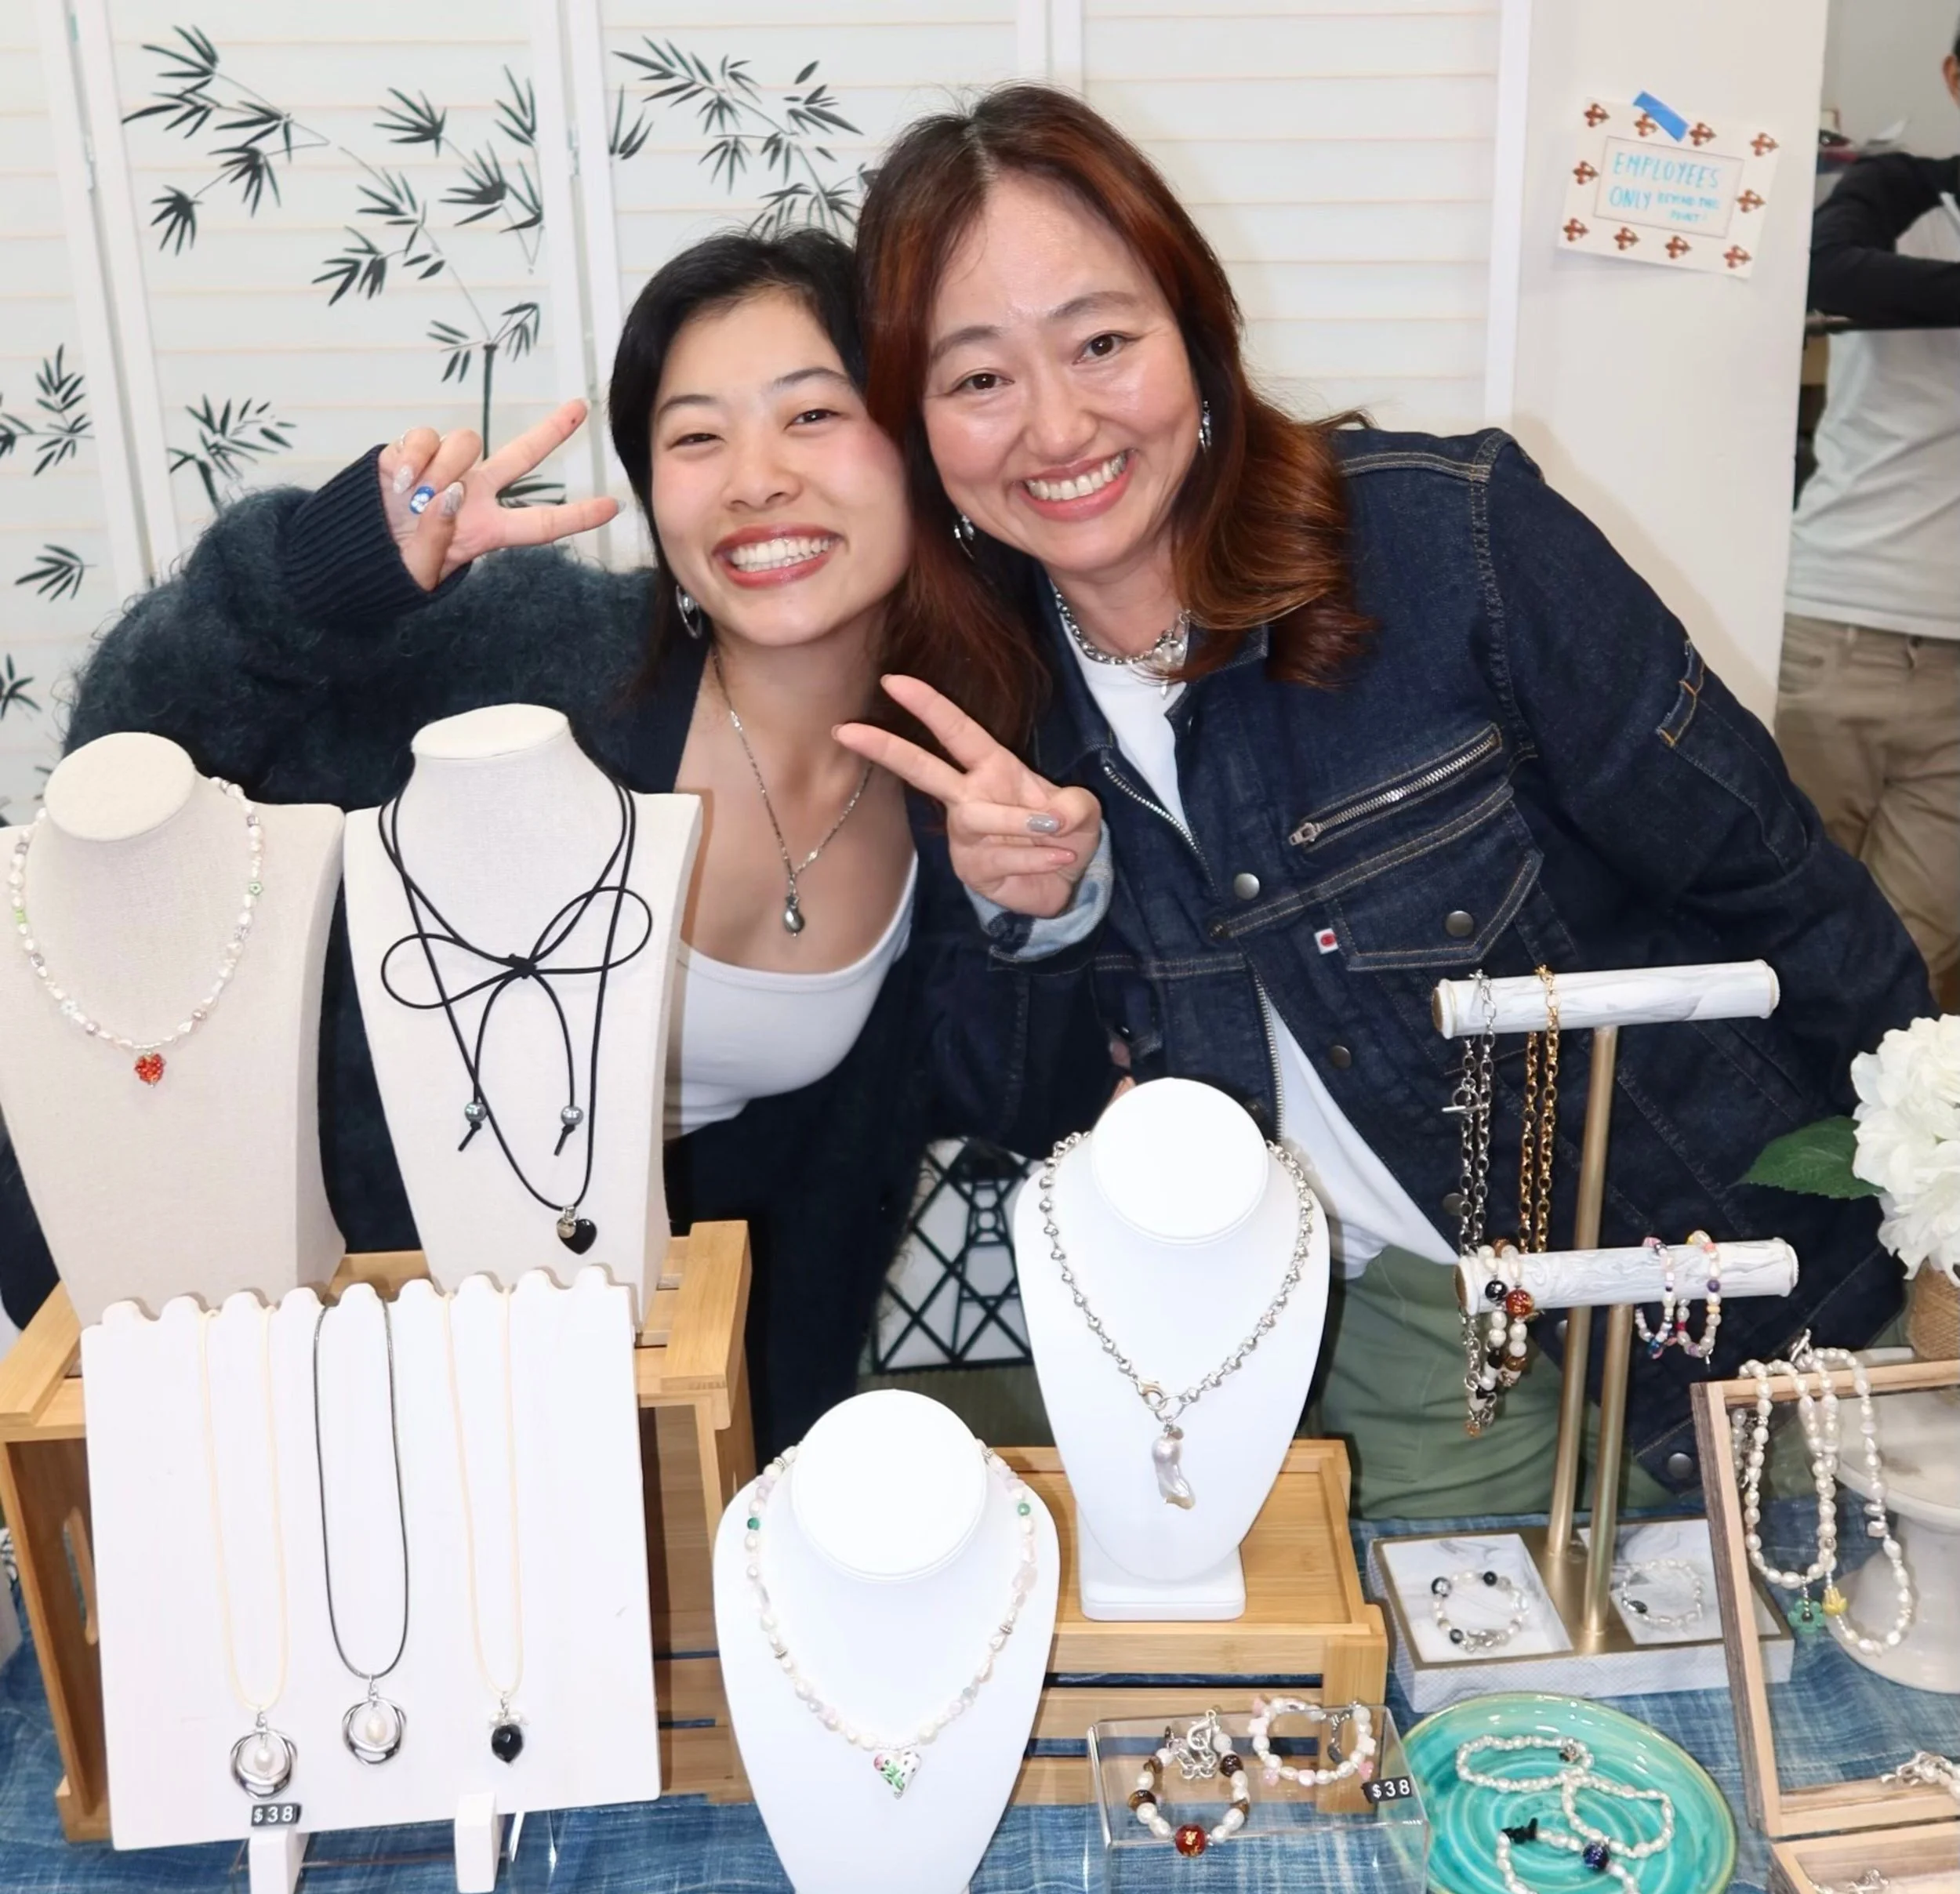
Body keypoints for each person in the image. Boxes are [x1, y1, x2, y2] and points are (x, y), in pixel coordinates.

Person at [836, 85, 1934, 1517]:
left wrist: (1923, 1216)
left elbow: (1781, 890)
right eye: (977, 379)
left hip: (1724, 1267)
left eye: (1103, 342)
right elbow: (1029, 1127)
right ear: (921, 430)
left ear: (1197, 334)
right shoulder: (968, 704)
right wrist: (1035, 918)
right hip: (1398, 1329)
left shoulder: (1449, 540)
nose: (1056, 424)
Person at [0, 229, 1109, 1451]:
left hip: (599, 1401)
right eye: (696, 437)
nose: (754, 479)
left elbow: (1020, 1104)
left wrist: (1048, 913)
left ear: (916, 452)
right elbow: (129, 760)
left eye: (812, 416)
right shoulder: (526, 653)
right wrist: (326, 580)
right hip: (255, 1316)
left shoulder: (958, 766)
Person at [1777, 20, 1960, 1008]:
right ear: (1953, 78)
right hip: (1835, 629)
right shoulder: (1900, 190)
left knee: (1906, 991)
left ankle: (1851, 1168)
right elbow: (1828, 272)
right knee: (1771, 943)